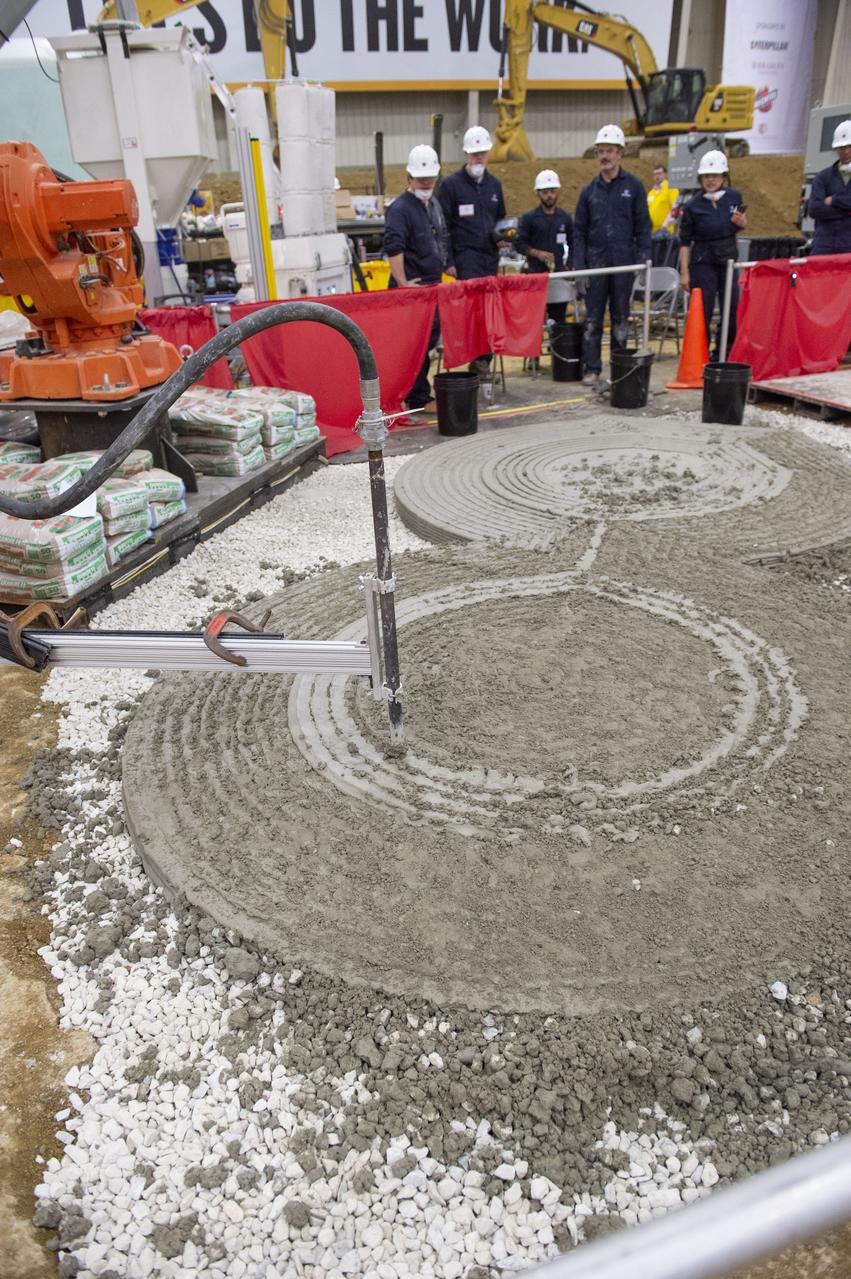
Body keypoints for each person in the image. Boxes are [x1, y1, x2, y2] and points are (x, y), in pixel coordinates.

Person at [573, 124, 652, 387]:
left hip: (623, 264)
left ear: (620, 153)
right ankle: (592, 368)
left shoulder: (634, 188)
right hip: (596, 266)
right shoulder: (588, 191)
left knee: (620, 317)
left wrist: (643, 260)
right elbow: (579, 232)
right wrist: (580, 268)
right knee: (593, 319)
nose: (604, 156)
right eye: (600, 151)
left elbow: (643, 227)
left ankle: (620, 366)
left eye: (609, 151)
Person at [383, 144, 454, 411]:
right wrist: (402, 283)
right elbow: (394, 246)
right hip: (412, 292)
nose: (425, 182)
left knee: (425, 343)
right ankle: (417, 397)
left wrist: (446, 265)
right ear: (409, 178)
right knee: (414, 346)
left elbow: (440, 237)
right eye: (420, 178)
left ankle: (418, 394)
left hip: (429, 288)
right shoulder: (401, 208)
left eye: (429, 178)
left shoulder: (432, 204)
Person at [438, 125, 506, 376]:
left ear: (488, 153)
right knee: (471, 312)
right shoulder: (451, 186)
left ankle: (482, 360)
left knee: (488, 311)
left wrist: (503, 237)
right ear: (466, 154)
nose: (478, 157)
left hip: (490, 258)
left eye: (482, 153)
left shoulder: (494, 186)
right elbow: (443, 225)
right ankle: (473, 357)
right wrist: (449, 260)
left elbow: (501, 220)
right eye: (474, 153)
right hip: (466, 258)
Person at [678, 149, 747, 359]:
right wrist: (685, 273)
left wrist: (743, 224)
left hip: (727, 261)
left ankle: (725, 352)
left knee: (732, 309)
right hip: (703, 262)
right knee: (702, 311)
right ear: (700, 178)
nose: (711, 180)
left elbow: (740, 224)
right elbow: (684, 242)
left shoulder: (734, 197)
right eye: (707, 176)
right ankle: (701, 354)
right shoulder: (692, 206)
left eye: (715, 176)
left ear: (723, 177)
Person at [516, 169, 575, 325]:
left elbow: (575, 242)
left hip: (558, 275)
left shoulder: (565, 218)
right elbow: (519, 243)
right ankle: (535, 349)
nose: (549, 195)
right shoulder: (529, 219)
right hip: (536, 274)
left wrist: (570, 265)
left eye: (552, 191)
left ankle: (557, 349)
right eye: (545, 192)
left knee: (558, 320)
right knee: (534, 321)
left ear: (558, 192)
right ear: (538, 193)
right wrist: (537, 253)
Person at [808, 119, 851, 256]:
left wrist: (833, 200)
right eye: (841, 148)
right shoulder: (822, 177)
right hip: (824, 247)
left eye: (849, 146)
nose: (846, 152)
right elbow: (814, 209)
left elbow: (822, 207)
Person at [646, 163, 679, 233]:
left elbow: (675, 209)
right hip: (651, 231)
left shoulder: (671, 188)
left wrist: (665, 226)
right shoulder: (651, 192)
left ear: (665, 175)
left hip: (665, 231)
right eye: (655, 174)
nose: (657, 176)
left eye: (659, 173)